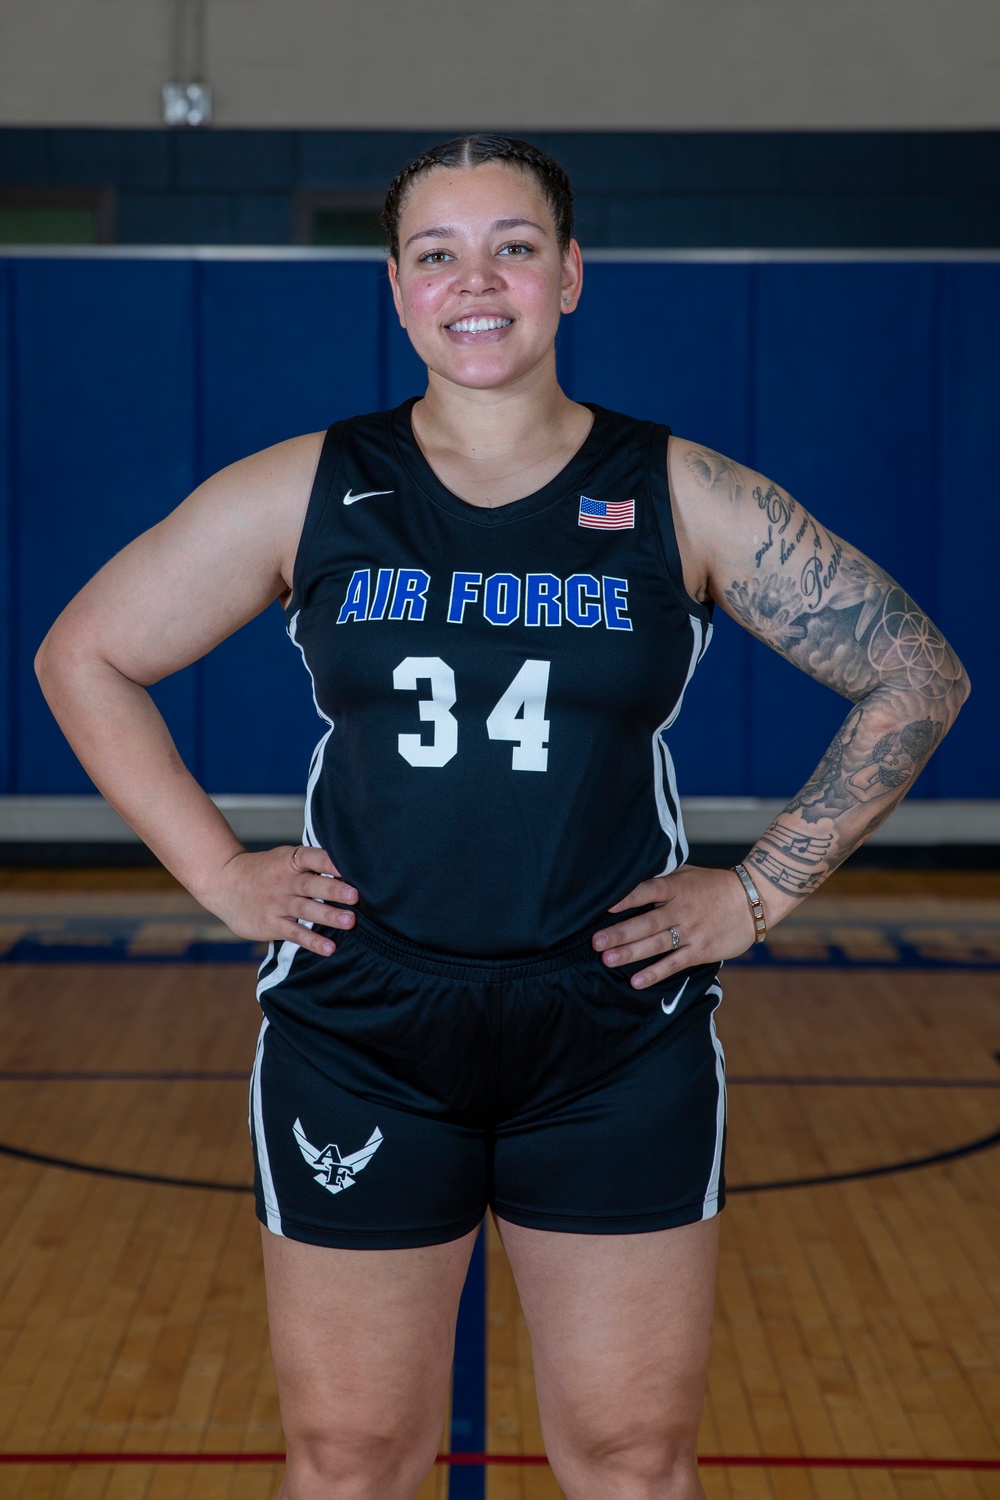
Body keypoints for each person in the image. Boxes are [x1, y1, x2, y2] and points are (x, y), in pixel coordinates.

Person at [36, 134, 969, 1500]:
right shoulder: (315, 486)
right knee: (351, 1459)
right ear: (400, 290)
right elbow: (84, 655)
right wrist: (218, 871)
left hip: (610, 1032)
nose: (477, 282)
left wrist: (759, 892)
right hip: (363, 1027)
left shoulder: (676, 491)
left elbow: (915, 669)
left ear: (571, 274)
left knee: (632, 1460)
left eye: (514, 247)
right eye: (438, 253)